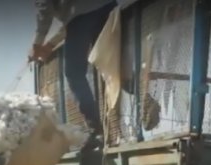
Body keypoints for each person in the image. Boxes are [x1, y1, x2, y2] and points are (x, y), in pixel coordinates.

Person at [29, 0, 160, 148]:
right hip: (108, 7)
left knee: (74, 74)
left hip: (81, 19)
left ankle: (95, 128)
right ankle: (147, 101)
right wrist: (50, 45)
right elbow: (70, 20)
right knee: (113, 66)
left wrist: (37, 44)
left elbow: (46, 9)